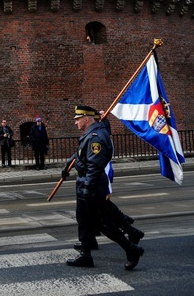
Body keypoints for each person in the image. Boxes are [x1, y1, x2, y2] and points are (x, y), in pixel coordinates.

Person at [63, 105, 144, 270]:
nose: (75, 122)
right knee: (84, 221)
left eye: (77, 119)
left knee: (101, 223)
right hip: (84, 182)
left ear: (86, 119)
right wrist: (68, 164)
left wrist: (87, 189)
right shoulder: (90, 135)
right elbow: (81, 154)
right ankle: (85, 255)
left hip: (91, 184)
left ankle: (131, 249)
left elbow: (94, 165)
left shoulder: (96, 137)